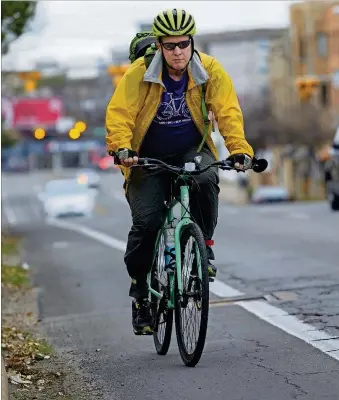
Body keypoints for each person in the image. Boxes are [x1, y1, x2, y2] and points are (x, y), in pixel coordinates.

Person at [105, 8, 254, 335]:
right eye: (170, 46)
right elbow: (120, 114)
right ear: (159, 46)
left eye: (183, 45)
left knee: (205, 178)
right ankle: (141, 293)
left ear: (191, 43)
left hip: (192, 148)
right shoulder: (138, 73)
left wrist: (240, 150)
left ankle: (205, 246)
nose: (177, 52)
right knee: (147, 222)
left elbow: (228, 113)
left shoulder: (210, 70)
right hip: (146, 156)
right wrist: (122, 148)